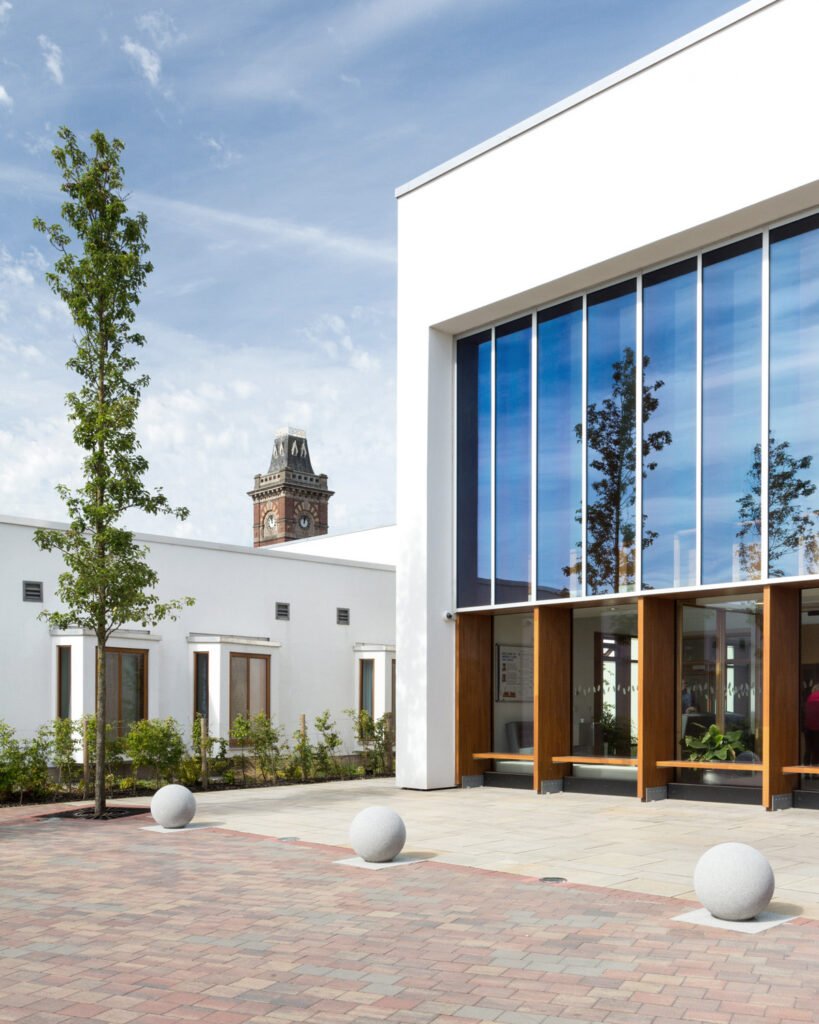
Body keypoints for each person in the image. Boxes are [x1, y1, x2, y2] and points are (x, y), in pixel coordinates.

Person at [804, 684, 819, 766]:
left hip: (808, 727)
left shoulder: (808, 698)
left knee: (808, 749)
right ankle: (815, 771)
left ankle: (806, 771)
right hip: (817, 728)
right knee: (816, 750)